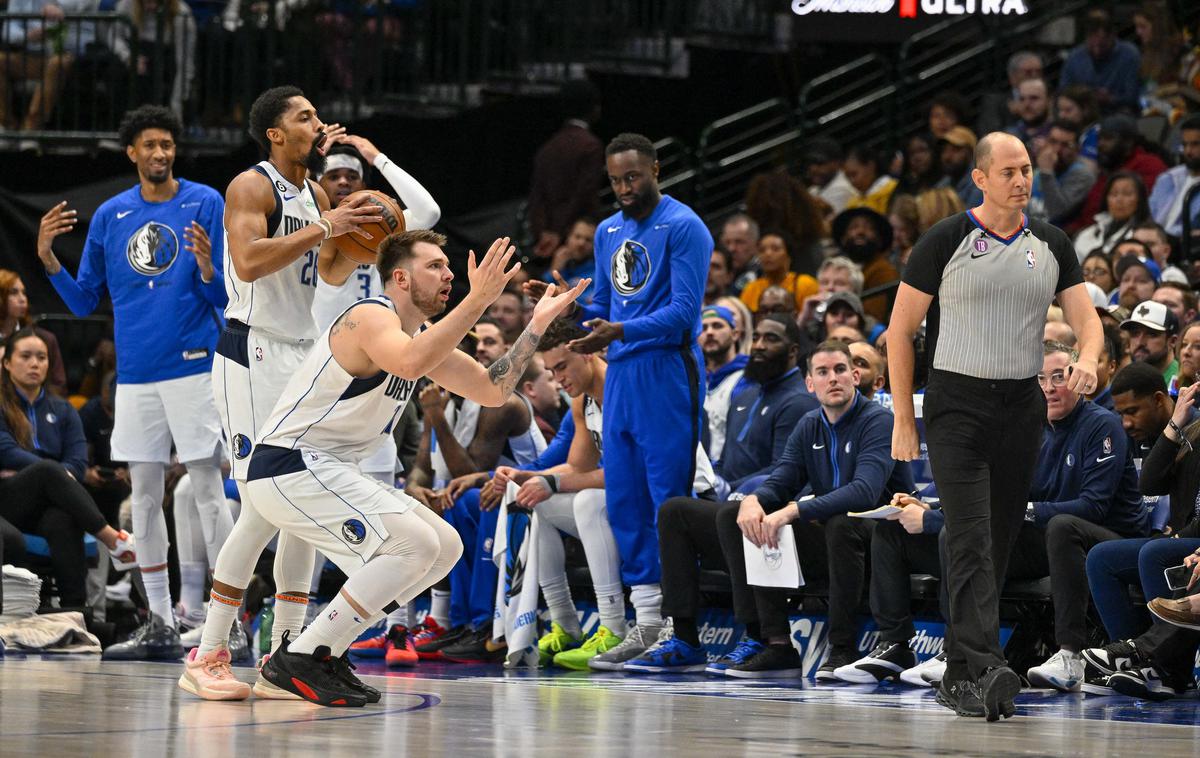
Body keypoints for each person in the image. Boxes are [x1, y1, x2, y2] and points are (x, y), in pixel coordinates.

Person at [196, 231, 587, 705]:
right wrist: (478, 299)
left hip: (327, 468)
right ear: (400, 278)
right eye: (437, 267)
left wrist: (537, 325)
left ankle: (313, 655)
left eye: (448, 267)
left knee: (445, 547)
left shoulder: (420, 336)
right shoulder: (370, 316)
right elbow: (408, 363)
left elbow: (491, 390)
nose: (449, 276)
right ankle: (297, 658)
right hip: (288, 464)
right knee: (415, 543)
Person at [888, 132, 1101, 721]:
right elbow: (899, 332)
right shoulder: (947, 239)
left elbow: (1088, 322)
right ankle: (984, 665)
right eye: (1008, 171)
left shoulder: (1053, 242)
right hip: (956, 403)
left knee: (998, 539)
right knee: (971, 536)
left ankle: (960, 673)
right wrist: (905, 417)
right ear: (979, 178)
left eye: (1027, 169)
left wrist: (1086, 358)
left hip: (1020, 405)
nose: (1021, 180)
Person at [189, 86, 380, 695]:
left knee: (299, 497)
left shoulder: (317, 191)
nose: (318, 122)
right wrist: (327, 224)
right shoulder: (252, 186)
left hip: (300, 350)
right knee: (263, 502)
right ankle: (209, 651)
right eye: (305, 116)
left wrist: (354, 243)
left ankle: (285, 655)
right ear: (275, 133)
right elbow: (246, 263)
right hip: (252, 350)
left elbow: (322, 271)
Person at [34, 105, 231, 660]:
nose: (160, 154)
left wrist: (211, 269)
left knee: (208, 494)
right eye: (150, 145)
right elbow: (81, 300)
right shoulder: (111, 215)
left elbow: (224, 299)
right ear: (132, 153)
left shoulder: (205, 201)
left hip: (195, 365)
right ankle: (162, 623)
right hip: (137, 375)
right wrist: (48, 257)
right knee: (143, 498)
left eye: (167, 144)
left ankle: (225, 624)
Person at [524, 132, 712, 669]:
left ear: (656, 168)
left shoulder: (684, 226)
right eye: (615, 180)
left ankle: (683, 629)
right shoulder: (608, 231)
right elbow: (601, 308)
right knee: (625, 500)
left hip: (666, 368)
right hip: (624, 371)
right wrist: (562, 309)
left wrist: (618, 330)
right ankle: (646, 623)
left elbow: (682, 312)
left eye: (634, 176)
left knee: (666, 502)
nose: (625, 188)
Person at [306, 134, 441, 659]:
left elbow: (426, 209)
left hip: (387, 387)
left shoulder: (390, 244)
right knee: (319, 525)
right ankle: (299, 621)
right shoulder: (324, 242)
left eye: (354, 176)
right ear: (326, 190)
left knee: (395, 517)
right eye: (335, 177)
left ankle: (398, 627)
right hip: (332, 391)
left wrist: (375, 153)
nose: (346, 182)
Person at [621, 316, 817, 673]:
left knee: (732, 512)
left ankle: (756, 635)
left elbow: (786, 471)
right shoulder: (744, 396)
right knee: (674, 510)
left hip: (772, 513)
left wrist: (739, 492)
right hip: (735, 505)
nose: (758, 345)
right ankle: (683, 636)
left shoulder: (799, 403)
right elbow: (727, 461)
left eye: (770, 339)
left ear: (792, 352)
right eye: (756, 337)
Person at [715, 341, 913, 679]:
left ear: (854, 376)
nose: (832, 378)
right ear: (810, 384)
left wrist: (793, 511)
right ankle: (775, 644)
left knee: (838, 524)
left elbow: (865, 493)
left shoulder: (878, 420)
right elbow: (782, 479)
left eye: (839, 370)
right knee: (741, 517)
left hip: (884, 538)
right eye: (822, 372)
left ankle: (842, 646)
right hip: (834, 540)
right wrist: (753, 500)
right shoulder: (809, 424)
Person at [1018, 341, 1149, 692]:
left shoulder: (1102, 425)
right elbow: (1019, 496)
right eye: (1041, 378)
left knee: (1061, 526)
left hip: (1118, 539)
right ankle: (966, 650)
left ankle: (1070, 655)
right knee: (989, 533)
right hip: (1062, 540)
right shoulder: (1032, 430)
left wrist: (1028, 511)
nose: (1049, 387)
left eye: (1058, 377)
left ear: (1077, 377)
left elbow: (1094, 507)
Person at [0, 328, 137, 609]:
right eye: (25, 357)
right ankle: (112, 539)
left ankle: (76, 614)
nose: (35, 363)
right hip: (8, 499)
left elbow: (77, 463)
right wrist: (51, 474)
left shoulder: (63, 410)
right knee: (48, 471)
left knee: (62, 520)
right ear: (7, 363)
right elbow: (6, 451)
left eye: (41, 357)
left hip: (49, 503)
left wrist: (54, 478)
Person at [528, 79, 604, 261]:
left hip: (550, 238)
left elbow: (537, 197)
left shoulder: (548, 147)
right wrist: (558, 232)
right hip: (580, 237)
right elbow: (583, 194)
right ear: (594, 109)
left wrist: (543, 232)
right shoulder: (590, 146)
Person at [1074, 115, 1167, 232]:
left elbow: (1142, 210)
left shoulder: (1149, 165)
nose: (1100, 144)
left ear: (1128, 142)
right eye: (1100, 139)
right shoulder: (1110, 167)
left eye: (1108, 139)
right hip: (1088, 233)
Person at [1059, 8, 1143, 114]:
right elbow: (1063, 91)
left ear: (1112, 36)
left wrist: (1110, 99)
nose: (1097, 51)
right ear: (1086, 38)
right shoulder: (1075, 57)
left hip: (1118, 113)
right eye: (1092, 45)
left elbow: (1133, 97)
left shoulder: (1129, 55)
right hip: (1082, 114)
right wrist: (1084, 94)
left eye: (1101, 46)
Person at [0, 269, 66, 395]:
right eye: (14, 293)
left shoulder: (43, 339)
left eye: (24, 293)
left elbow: (59, 385)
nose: (22, 299)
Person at [700, 305, 748, 463]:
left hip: (732, 473)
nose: (710, 332)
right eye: (703, 327)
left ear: (735, 334)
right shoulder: (693, 379)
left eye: (717, 325)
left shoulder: (748, 377)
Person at [832, 207, 898, 323]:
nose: (860, 232)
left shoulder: (883, 270)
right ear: (843, 238)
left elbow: (873, 317)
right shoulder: (835, 268)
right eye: (853, 227)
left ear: (880, 239)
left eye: (869, 228)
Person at [1028, 121, 1097, 226]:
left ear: (1077, 149)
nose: (1057, 149)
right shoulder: (1038, 169)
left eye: (1066, 145)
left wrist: (1046, 172)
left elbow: (1056, 212)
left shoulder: (1082, 176)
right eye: (1053, 142)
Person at [738, 230, 817, 315]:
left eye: (775, 249)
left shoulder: (805, 284)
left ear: (788, 256)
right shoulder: (751, 289)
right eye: (762, 250)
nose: (768, 254)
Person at [1074, 172, 1152, 258]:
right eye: (1114, 194)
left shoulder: (1145, 235)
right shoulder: (1088, 233)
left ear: (1140, 199)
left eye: (1127, 194)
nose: (1119, 199)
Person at [1148, 114, 1200, 238]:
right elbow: (1148, 217)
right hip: (1154, 242)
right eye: (1185, 144)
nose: (1188, 151)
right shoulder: (1167, 178)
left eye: (1195, 144)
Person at [977, 50, 1043, 136]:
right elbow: (989, 135)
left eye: (1038, 71)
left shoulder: (1051, 98)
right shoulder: (994, 101)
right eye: (1028, 72)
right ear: (1013, 76)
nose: (1034, 76)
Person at [1121, 300, 1180, 387]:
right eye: (1135, 333)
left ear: (1172, 341)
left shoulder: (1183, 380)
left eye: (1151, 334)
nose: (1140, 342)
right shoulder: (1124, 378)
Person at [545, 217, 598, 305]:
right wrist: (554, 269)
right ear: (568, 238)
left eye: (588, 240)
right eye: (577, 237)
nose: (581, 243)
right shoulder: (558, 267)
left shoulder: (598, 273)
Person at [805, 137, 854, 216]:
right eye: (811, 162)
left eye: (820, 163)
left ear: (837, 163)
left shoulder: (842, 189)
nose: (813, 168)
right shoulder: (814, 189)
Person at [842, 146, 897, 215]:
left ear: (870, 166)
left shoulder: (894, 189)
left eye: (854, 174)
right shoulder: (852, 204)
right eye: (848, 177)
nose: (852, 181)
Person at [939, 126, 984, 208]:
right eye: (944, 150)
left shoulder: (980, 184)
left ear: (971, 152)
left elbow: (967, 219)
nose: (947, 156)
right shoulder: (944, 184)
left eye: (955, 149)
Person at [1004, 78, 1051, 149]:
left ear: (1049, 100)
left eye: (1034, 98)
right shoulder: (1007, 137)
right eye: (1022, 99)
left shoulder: (1061, 136)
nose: (1026, 104)